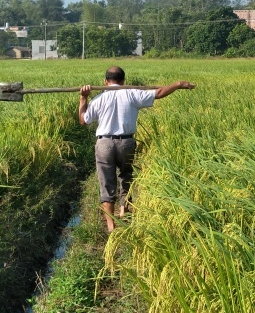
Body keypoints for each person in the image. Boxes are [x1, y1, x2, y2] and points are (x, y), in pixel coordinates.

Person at [79, 66, 194, 232]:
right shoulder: (132, 93)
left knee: (107, 183)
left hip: (104, 144)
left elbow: (83, 120)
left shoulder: (99, 98)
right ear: (123, 80)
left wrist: (83, 98)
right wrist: (178, 84)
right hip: (126, 143)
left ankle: (111, 226)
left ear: (105, 81)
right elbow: (160, 93)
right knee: (126, 176)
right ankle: (123, 212)